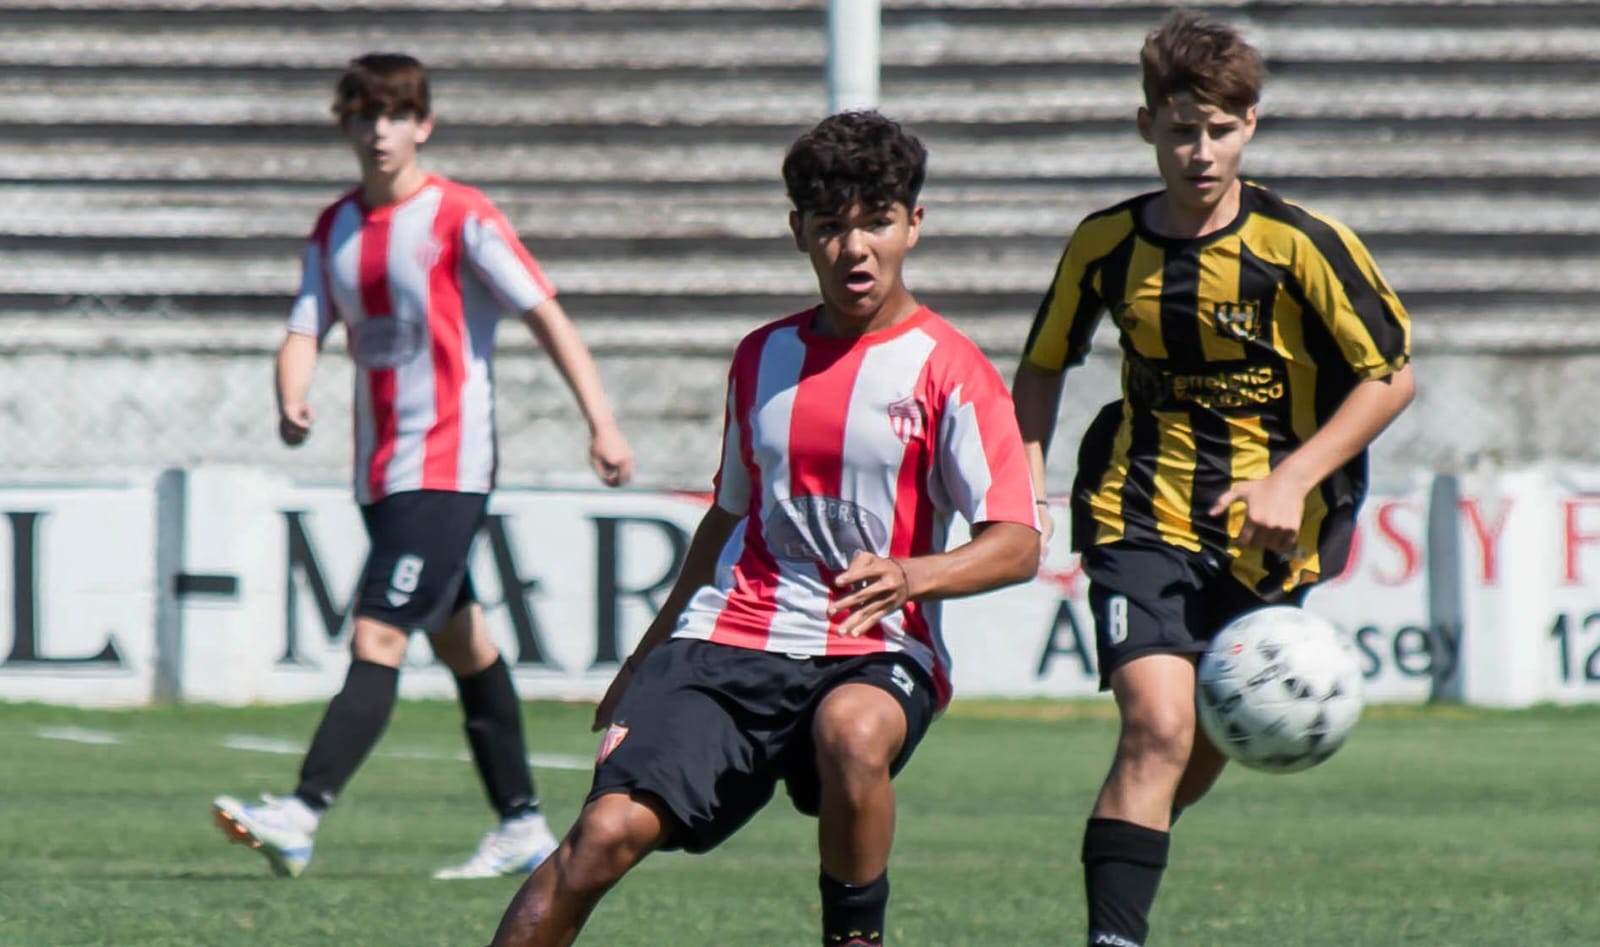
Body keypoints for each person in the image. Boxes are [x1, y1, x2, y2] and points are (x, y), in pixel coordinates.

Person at [489, 110, 1040, 946]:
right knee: (601, 834)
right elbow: (728, 517)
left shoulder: (952, 369)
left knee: (851, 730)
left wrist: (912, 574)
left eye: (877, 222)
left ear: (914, 224)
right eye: (830, 226)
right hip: (730, 643)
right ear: (799, 232)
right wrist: (645, 655)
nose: (854, 248)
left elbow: (1018, 542)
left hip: (875, 649)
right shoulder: (761, 357)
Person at [1011, 12, 1415, 946]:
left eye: (1221, 130)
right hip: (1138, 511)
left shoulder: (1302, 244)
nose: (1201, 151)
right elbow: (1043, 363)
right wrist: (1023, 491)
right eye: (1182, 129)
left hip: (1270, 536)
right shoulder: (1104, 244)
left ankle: (1132, 843)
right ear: (1145, 126)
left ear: (1251, 126)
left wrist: (1291, 479)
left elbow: (1390, 377)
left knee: (1190, 751)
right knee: (1157, 724)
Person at [210, 52, 635, 881]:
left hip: (447, 464)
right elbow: (304, 327)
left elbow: (545, 313)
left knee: (378, 630)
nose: (380, 131)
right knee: (464, 641)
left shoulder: (460, 215)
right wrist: (291, 396)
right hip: (379, 473)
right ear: (345, 125)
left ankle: (301, 812)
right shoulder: (335, 226)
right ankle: (521, 823)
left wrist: (603, 421)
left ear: (423, 125)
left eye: (396, 115)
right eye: (365, 115)